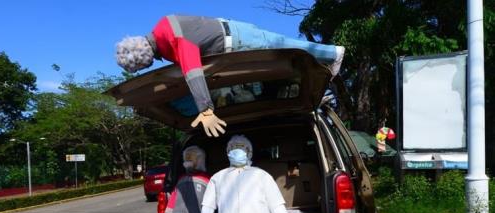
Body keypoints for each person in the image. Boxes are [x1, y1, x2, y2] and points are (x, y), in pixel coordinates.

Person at [115, 15, 345, 137]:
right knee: (282, 59)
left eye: (142, 66)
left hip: (236, 41)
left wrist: (206, 109)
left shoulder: (170, 38)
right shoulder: (163, 26)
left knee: (286, 53)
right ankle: (324, 80)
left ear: (143, 59)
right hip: (232, 33)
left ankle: (332, 55)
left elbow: (192, 70)